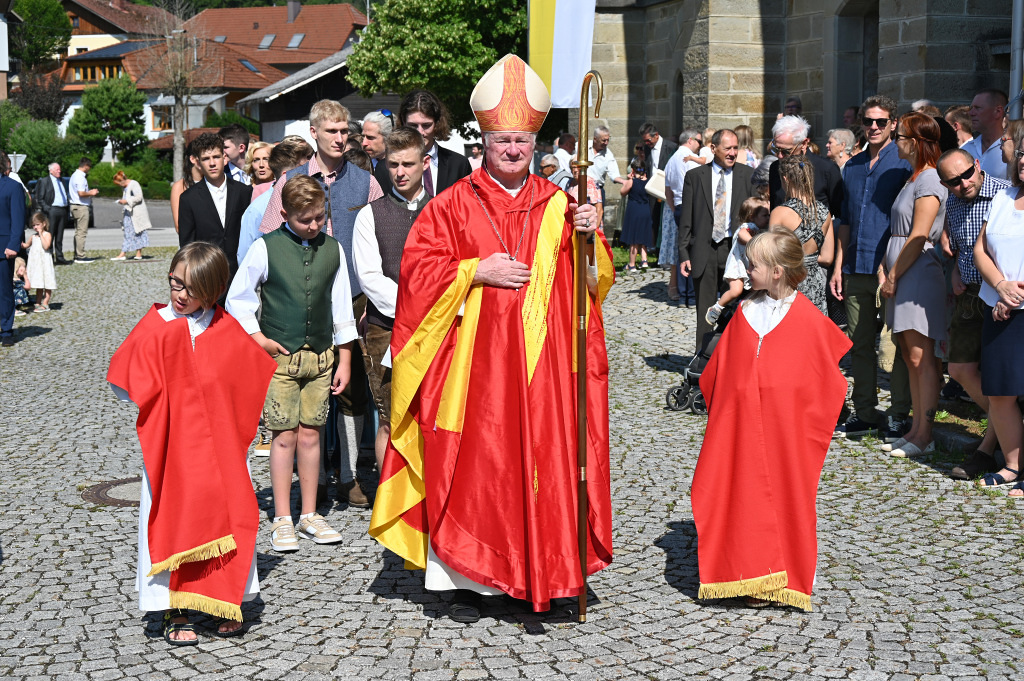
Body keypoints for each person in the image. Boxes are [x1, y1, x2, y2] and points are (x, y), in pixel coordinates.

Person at [368, 54, 610, 623]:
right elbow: (417, 275)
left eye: (521, 141)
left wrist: (590, 238)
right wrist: (473, 271)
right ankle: (467, 576)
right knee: (477, 462)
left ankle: (543, 569)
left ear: (533, 143)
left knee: (543, 461)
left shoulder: (561, 205)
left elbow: (591, 290)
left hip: (544, 368)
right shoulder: (451, 203)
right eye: (502, 139)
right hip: (471, 371)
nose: (512, 150)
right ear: (485, 141)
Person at [107, 242, 277, 645]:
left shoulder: (225, 328)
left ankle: (228, 599)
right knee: (174, 519)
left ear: (213, 290)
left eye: (190, 288)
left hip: (221, 450)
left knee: (232, 516)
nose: (179, 295)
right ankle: (174, 608)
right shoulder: (156, 325)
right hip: (172, 452)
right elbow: (124, 382)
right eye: (174, 283)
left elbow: (244, 379)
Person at [691, 226, 851, 611]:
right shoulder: (743, 313)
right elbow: (718, 375)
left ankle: (785, 578)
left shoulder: (809, 320)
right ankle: (744, 572)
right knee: (740, 497)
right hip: (741, 428)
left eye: (754, 265)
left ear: (777, 271)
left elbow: (827, 384)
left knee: (785, 500)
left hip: (787, 433)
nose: (747, 271)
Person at [258, 101, 384, 502]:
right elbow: (268, 238)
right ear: (314, 133)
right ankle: (305, 470)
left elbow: (381, 234)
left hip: (353, 298)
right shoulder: (290, 180)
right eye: (332, 131)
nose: (340, 138)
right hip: (300, 300)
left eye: (345, 131)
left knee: (352, 386)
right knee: (301, 382)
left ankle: (349, 475)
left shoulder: (366, 181)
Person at [227, 175, 357, 550]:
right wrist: (259, 338)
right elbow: (238, 298)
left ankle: (310, 514)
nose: (314, 225)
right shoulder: (265, 247)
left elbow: (342, 308)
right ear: (284, 214)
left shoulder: (333, 249)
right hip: (280, 359)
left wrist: (344, 359)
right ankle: (282, 517)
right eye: (306, 220)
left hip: (321, 357)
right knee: (283, 436)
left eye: (320, 217)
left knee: (312, 433)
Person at [352, 126, 431, 506]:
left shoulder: (445, 209)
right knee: (390, 416)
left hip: (439, 329)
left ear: (424, 163)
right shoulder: (371, 215)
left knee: (434, 417)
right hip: (389, 329)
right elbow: (370, 278)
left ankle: (432, 497)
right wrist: (414, 308)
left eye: (408, 164)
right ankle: (390, 503)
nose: (400, 172)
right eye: (393, 164)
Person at [830, 94, 913, 440]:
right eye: (868, 121)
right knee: (859, 344)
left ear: (893, 123)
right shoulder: (852, 165)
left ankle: (898, 414)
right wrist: (838, 265)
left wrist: (890, 267)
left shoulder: (904, 163)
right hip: (856, 267)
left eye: (881, 121)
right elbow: (844, 219)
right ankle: (864, 411)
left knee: (897, 347)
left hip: (893, 269)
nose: (874, 127)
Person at [938, 149, 1010, 480]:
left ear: (977, 164)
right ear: (944, 183)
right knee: (959, 369)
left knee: (998, 382)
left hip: (998, 296)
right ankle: (1012, 425)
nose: (964, 182)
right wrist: (956, 271)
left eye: (967, 173)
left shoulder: (1005, 193)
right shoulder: (953, 202)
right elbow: (963, 247)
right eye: (953, 181)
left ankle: (988, 449)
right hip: (968, 294)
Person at [879, 112, 948, 459]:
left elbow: (920, 234)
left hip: (918, 270)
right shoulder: (912, 178)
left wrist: (893, 275)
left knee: (921, 356)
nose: (896, 141)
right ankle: (916, 430)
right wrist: (885, 267)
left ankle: (925, 433)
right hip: (903, 269)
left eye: (901, 135)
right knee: (909, 354)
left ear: (917, 141)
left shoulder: (931, 179)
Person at [972, 136, 1024, 495]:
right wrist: (1001, 286)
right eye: (1022, 155)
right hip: (1001, 307)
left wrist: (1014, 294)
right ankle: (1013, 465)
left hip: (1014, 303)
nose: (1023, 162)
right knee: (1001, 393)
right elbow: (980, 248)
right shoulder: (1003, 198)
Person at [677, 129, 758, 350]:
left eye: (735, 148)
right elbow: (687, 218)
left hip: (736, 251)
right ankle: (702, 363)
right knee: (705, 311)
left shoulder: (747, 175)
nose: (732, 153)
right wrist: (684, 253)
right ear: (713, 149)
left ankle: (732, 359)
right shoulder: (696, 177)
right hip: (705, 250)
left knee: (737, 308)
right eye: (727, 148)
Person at [178, 133, 253, 277]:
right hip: (206, 274)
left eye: (216, 157)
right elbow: (187, 244)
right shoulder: (188, 198)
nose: (212, 163)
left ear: (225, 158)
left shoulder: (244, 192)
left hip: (241, 272)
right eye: (206, 159)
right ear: (198, 163)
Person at [373, 90, 472, 198]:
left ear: (437, 124)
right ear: (403, 122)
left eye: (426, 125)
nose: (420, 132)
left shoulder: (458, 165)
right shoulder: (385, 168)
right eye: (413, 125)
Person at [769, 155, 834, 313]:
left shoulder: (780, 212)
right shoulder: (824, 213)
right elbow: (827, 258)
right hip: (815, 281)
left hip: (789, 279)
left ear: (785, 179)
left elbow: (771, 254)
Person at [237, 136, 314, 264]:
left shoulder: (312, 201)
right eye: (304, 171)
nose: (311, 176)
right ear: (286, 175)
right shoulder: (257, 210)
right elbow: (246, 261)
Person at [705, 197, 769, 324]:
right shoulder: (749, 227)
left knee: (756, 292)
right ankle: (716, 308)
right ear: (752, 216)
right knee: (736, 291)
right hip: (737, 266)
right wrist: (754, 242)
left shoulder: (759, 229)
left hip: (746, 267)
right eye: (764, 215)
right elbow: (741, 234)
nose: (768, 218)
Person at [662, 130, 707, 303]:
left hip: (679, 206)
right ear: (690, 140)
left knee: (683, 248)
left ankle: (684, 293)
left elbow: (667, 190)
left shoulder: (671, 160)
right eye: (699, 142)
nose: (700, 146)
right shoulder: (689, 158)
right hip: (693, 206)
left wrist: (674, 209)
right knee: (695, 248)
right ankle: (692, 292)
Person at [768, 116, 844, 217]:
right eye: (776, 149)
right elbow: (774, 207)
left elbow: (839, 214)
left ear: (804, 144)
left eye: (786, 151)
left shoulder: (826, 169)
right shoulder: (775, 168)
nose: (780, 155)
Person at [1, 150, 26, 347]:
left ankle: (6, 329)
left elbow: (18, 220)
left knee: (4, 291)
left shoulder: (13, 187)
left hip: (3, 248)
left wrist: (13, 245)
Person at [965, 89, 1008, 179]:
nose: (971, 113)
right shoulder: (966, 149)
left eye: (977, 108)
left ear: (998, 111)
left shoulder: (1013, 150)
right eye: (971, 108)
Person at [619, 159, 652, 272]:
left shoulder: (631, 181)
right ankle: (644, 260)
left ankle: (632, 264)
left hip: (634, 210)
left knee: (634, 237)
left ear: (632, 170)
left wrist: (629, 179)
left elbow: (622, 192)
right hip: (646, 209)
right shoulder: (648, 181)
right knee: (643, 235)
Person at [33, 163, 70, 264]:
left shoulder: (61, 180)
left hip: (62, 209)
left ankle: (60, 257)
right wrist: (48, 209)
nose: (59, 171)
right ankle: (50, 257)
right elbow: (40, 198)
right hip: (52, 210)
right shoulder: (44, 181)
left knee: (59, 235)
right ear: (51, 170)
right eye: (57, 169)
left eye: (59, 169)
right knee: (50, 233)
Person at [111, 171, 151, 261]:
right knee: (128, 232)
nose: (120, 185)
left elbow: (139, 197)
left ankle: (137, 253)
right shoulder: (125, 187)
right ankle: (124, 252)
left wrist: (126, 201)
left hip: (136, 213)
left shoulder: (134, 184)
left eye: (119, 183)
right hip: (128, 212)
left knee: (138, 231)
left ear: (123, 180)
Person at [23, 212, 56, 311]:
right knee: (39, 284)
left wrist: (41, 234)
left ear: (44, 224)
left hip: (45, 263)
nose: (35, 227)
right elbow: (26, 245)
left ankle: (45, 302)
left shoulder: (47, 235)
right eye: (33, 225)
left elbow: (46, 246)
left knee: (47, 283)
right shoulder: (33, 237)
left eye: (37, 224)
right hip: (37, 264)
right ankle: (37, 302)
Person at [68, 157, 99, 264]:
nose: (89, 169)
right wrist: (91, 193)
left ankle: (77, 254)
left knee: (78, 232)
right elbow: (81, 193)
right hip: (81, 206)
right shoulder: (80, 177)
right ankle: (80, 256)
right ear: (85, 166)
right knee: (81, 232)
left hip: (75, 205)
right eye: (89, 167)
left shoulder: (74, 175)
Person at [170, 141, 202, 234]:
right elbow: (179, 227)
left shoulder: (214, 183)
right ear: (193, 159)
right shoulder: (180, 186)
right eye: (205, 158)